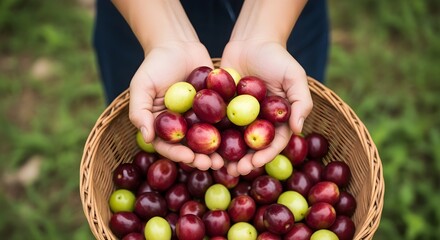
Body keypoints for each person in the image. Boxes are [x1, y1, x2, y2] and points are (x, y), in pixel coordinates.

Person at [93, 0, 330, 176]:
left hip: (282, 12)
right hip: (142, 14)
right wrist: (163, 38)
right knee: (133, 122)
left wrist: (267, 32)